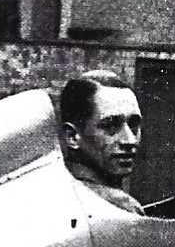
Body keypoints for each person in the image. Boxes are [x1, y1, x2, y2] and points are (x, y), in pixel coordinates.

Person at [58, 71, 145, 215]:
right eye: (111, 125)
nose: (130, 140)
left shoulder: (51, 189)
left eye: (133, 125)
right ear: (72, 136)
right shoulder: (120, 207)